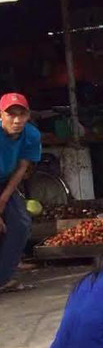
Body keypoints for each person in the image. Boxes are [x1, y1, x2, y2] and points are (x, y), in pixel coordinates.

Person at [0, 93, 40, 294]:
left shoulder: (31, 135)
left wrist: (3, 200)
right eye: (11, 115)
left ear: (28, 115)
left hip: (6, 181)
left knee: (21, 225)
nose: (17, 120)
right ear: (1, 115)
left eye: (21, 115)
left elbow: (22, 167)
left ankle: (3, 279)